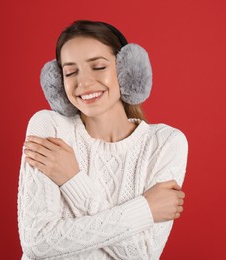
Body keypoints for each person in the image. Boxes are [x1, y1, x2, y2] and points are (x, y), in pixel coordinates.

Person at [17, 20, 188, 259]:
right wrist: (144, 210)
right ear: (58, 83)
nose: (83, 83)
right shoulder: (49, 127)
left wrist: (71, 180)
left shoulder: (166, 142)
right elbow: (37, 242)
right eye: (70, 72)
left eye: (98, 67)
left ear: (127, 71)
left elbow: (142, 255)